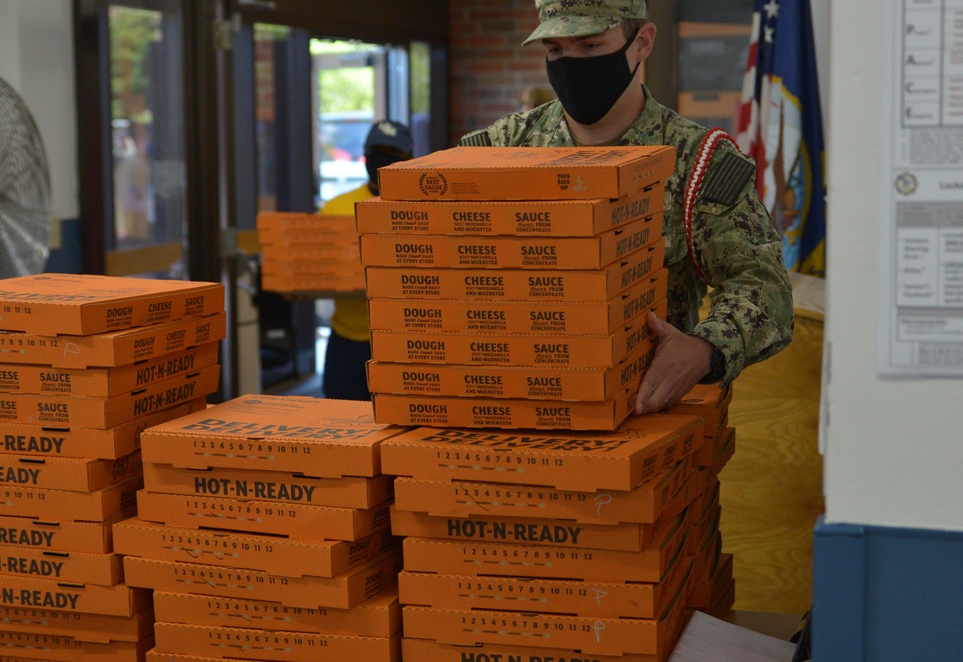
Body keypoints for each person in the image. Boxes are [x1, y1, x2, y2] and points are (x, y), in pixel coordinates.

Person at [460, 0, 794, 415]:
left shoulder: (696, 160)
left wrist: (705, 348)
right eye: (556, 51)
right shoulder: (498, 152)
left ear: (642, 43)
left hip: (642, 421)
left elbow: (764, 286)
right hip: (514, 413)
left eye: (590, 47)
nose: (571, 65)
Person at [319, 120, 413, 401]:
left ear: (408, 159)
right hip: (347, 339)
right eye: (376, 152)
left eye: (391, 154)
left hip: (403, 342)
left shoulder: (421, 210)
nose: (382, 160)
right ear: (365, 155)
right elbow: (315, 271)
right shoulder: (335, 209)